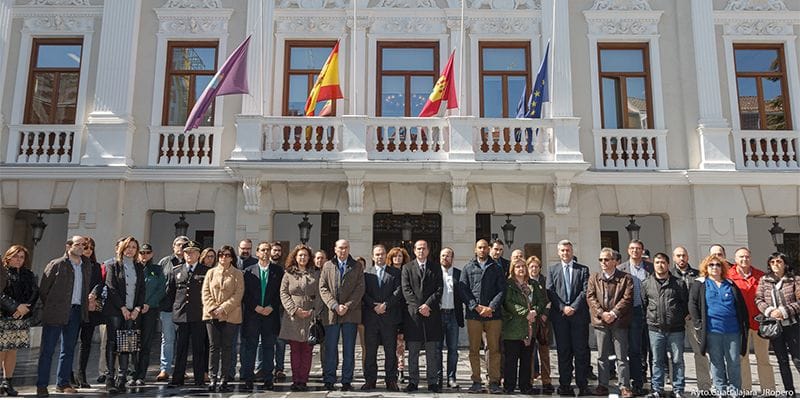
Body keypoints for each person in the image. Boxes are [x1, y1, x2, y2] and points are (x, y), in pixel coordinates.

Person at [36, 236, 102, 397]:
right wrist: (53, 306)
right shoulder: (56, 264)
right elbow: (44, 290)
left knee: (68, 349)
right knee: (48, 350)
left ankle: (63, 383)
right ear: (68, 246)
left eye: (83, 245)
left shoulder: (87, 265)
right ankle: (42, 385)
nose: (81, 247)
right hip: (56, 312)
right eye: (77, 244)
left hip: (76, 311)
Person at [688, 254, 749, 397]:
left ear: (722, 268)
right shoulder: (700, 283)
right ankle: (720, 390)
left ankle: (735, 391)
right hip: (712, 330)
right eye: (711, 265)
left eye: (718, 265)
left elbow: (741, 305)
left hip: (732, 330)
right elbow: (692, 304)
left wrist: (745, 325)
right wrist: (698, 324)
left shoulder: (730, 284)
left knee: (734, 362)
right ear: (706, 267)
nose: (714, 267)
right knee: (716, 362)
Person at [546, 239, 591, 397]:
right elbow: (550, 290)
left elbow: (585, 290)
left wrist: (574, 307)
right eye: (562, 250)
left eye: (568, 250)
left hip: (579, 317)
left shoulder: (583, 269)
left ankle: (582, 384)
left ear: (572, 251)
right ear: (558, 252)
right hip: (560, 317)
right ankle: (564, 384)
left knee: (580, 351)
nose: (565, 253)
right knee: (563, 351)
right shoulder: (552, 270)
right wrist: (562, 307)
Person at [459, 239, 504, 394]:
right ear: (475, 249)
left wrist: (491, 307)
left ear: (488, 249)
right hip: (474, 315)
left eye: (485, 247)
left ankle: (494, 382)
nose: (482, 250)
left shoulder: (496, 268)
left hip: (493, 315)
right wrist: (475, 306)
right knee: (473, 349)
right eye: (480, 247)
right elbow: (463, 290)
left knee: (494, 349)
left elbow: (501, 290)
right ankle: (476, 381)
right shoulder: (468, 268)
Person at [587, 248, 633, 397]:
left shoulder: (625, 278)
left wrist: (613, 313)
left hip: (619, 321)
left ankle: (624, 386)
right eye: (600, 260)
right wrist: (602, 313)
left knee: (621, 356)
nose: (603, 262)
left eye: (606, 259)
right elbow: (591, 297)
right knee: (602, 356)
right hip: (600, 322)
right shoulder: (594, 278)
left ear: (614, 261)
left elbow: (627, 298)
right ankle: (602, 385)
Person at [728, 247, 775, 395]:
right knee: (742, 358)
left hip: (759, 323)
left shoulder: (760, 275)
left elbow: (768, 297)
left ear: (751, 258)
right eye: (741, 257)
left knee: (764, 358)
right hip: (739, 324)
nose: (744, 259)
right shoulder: (729, 276)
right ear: (735, 259)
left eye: (747, 257)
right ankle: (745, 390)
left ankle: (769, 390)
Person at [319, 239, 364, 391]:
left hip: (350, 314)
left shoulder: (357, 266)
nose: (343, 250)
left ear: (349, 249)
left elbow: (360, 288)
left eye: (345, 248)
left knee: (349, 349)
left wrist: (347, 306)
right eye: (340, 248)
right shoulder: (327, 265)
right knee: (330, 349)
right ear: (335, 249)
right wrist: (334, 305)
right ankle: (329, 379)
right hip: (332, 314)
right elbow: (323, 288)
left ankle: (346, 380)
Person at [103, 236, 145, 394]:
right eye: (128, 247)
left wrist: (137, 308)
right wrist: (122, 308)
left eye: (133, 247)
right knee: (112, 343)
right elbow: (111, 287)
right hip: (115, 310)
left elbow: (142, 289)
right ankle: (110, 378)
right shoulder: (113, 265)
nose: (130, 250)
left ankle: (122, 378)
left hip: (132, 311)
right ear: (122, 248)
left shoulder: (139, 267)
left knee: (126, 344)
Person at [643, 252, 689, 398]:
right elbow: (645, 304)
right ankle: (657, 389)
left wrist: (677, 318)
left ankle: (678, 389)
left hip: (676, 329)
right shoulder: (646, 283)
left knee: (677, 360)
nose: (660, 265)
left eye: (663, 262)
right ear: (653, 264)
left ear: (668, 264)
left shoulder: (679, 283)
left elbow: (685, 304)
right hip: (655, 329)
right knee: (657, 360)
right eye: (657, 262)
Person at [279, 244, 323, 392]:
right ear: (295, 257)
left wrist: (313, 311)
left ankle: (303, 380)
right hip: (293, 317)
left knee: (307, 350)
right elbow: (283, 293)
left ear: (309, 257)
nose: (303, 258)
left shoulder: (315, 273)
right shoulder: (288, 274)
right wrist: (294, 310)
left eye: (305, 255)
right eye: (300, 255)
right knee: (295, 350)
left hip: (310, 316)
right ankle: (295, 379)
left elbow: (320, 293)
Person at [755, 252, 800, 397]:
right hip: (774, 326)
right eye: (772, 262)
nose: (775, 264)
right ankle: (789, 392)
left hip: (792, 325)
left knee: (798, 358)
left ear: (785, 264)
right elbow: (758, 299)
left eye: (779, 261)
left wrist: (784, 311)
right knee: (782, 360)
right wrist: (770, 311)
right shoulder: (764, 280)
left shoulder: (795, 280)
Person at [241, 241, 284, 391]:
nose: (265, 253)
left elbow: (281, 292)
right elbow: (244, 294)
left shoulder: (278, 271)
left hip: (270, 315)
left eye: (268, 250)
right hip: (253, 315)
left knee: (268, 348)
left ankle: (268, 378)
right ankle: (248, 378)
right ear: (257, 253)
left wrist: (272, 306)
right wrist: (255, 307)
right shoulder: (248, 271)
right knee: (250, 348)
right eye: (263, 250)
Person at [401, 240, 443, 393]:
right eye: (418, 248)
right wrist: (420, 307)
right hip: (413, 316)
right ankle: (413, 381)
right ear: (414, 250)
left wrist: (428, 305)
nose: (421, 251)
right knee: (413, 352)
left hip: (431, 315)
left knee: (432, 352)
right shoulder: (407, 268)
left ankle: (433, 382)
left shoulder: (436, 267)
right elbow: (406, 290)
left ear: (428, 250)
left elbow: (439, 289)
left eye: (424, 248)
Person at [166, 240, 209, 388]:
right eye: (186, 252)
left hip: (198, 314)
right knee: (181, 348)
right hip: (181, 314)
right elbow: (171, 292)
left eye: (192, 252)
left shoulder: (206, 271)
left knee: (199, 348)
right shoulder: (176, 270)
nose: (189, 255)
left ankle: (199, 379)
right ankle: (177, 379)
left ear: (198, 254)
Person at [202, 245, 244, 392]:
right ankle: (212, 378)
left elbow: (238, 294)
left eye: (227, 255)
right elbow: (205, 292)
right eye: (221, 255)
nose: (223, 258)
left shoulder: (237, 274)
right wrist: (213, 308)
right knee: (213, 347)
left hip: (230, 315)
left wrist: (223, 308)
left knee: (227, 347)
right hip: (212, 315)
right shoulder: (211, 273)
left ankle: (224, 379)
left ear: (232, 257)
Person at [361, 244, 403, 391]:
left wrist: (386, 305)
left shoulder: (395, 273)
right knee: (370, 351)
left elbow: (398, 291)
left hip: (389, 318)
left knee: (390, 352)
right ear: (373, 257)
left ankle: (391, 380)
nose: (380, 257)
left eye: (382, 254)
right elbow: (363, 293)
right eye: (377, 254)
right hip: (371, 318)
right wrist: (374, 305)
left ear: (386, 256)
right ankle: (370, 380)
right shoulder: (366, 273)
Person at [670, 246, 711, 393]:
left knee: (700, 352)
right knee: (676, 355)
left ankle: (704, 387)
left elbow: (702, 296)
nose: (681, 258)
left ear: (688, 257)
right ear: (674, 258)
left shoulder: (698, 274)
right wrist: (682, 313)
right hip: (676, 320)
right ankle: (676, 387)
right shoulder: (669, 275)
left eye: (684, 255)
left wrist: (693, 314)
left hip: (694, 320)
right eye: (678, 256)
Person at [502, 258, 546, 394]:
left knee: (527, 359)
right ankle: (509, 386)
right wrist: (525, 313)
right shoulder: (508, 284)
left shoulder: (533, 284)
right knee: (511, 359)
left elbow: (541, 301)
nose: (521, 269)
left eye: (523, 266)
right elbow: (508, 303)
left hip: (529, 327)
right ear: (513, 269)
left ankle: (525, 386)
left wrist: (535, 311)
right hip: (513, 327)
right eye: (518, 267)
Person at [0, 245, 39, 396]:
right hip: (4, 315)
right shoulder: (3, 272)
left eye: (22, 257)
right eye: (16, 256)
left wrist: (25, 308)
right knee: (2, 350)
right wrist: (15, 307)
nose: (18, 260)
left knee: (13, 351)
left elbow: (34, 293)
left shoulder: (28, 274)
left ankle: (8, 382)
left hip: (21, 317)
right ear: (8, 256)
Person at [617, 239, 653, 396]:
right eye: (632, 248)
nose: (635, 251)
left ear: (642, 251)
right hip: (626, 313)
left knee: (640, 349)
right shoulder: (621, 269)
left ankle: (641, 382)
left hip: (645, 311)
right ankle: (627, 382)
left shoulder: (650, 268)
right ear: (628, 250)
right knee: (625, 350)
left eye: (638, 248)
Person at [156, 235, 188, 382]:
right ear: (173, 246)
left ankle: (181, 368)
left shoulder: (190, 262)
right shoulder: (164, 262)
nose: (181, 247)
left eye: (184, 245)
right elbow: (158, 284)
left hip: (184, 308)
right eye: (178, 244)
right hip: (167, 306)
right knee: (167, 339)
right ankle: (165, 369)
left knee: (183, 340)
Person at [133, 243, 166, 386]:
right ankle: (131, 373)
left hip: (150, 310)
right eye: (142, 252)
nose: (144, 255)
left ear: (151, 254)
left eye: (147, 252)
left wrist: (149, 303)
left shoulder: (156, 270)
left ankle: (141, 374)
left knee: (146, 343)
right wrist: (137, 305)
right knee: (132, 342)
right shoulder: (133, 268)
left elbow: (161, 288)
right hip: (134, 310)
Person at [74, 236, 102, 389]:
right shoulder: (74, 264)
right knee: (70, 342)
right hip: (75, 308)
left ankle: (81, 374)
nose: (89, 250)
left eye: (91, 248)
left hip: (90, 309)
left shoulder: (96, 266)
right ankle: (68, 373)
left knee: (86, 343)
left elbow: (100, 283)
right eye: (86, 247)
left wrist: (93, 294)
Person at [437, 247, 463, 390]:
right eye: (443, 256)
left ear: (452, 258)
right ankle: (438, 377)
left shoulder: (459, 274)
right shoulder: (435, 273)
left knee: (453, 349)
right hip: (438, 315)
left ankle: (451, 378)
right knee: (437, 348)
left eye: (448, 256)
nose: (445, 258)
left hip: (453, 315)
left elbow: (464, 293)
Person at [527, 255, 553, 394]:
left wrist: (545, 314)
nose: (534, 269)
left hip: (543, 321)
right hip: (530, 320)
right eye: (531, 266)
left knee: (544, 353)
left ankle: (546, 380)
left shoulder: (545, 281)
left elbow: (549, 300)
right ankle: (529, 380)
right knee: (530, 353)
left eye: (536, 266)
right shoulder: (525, 281)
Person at [386, 246, 409, 383]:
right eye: (395, 256)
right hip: (390, 311)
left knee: (401, 343)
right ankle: (391, 369)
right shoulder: (387, 272)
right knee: (390, 343)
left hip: (404, 312)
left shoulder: (407, 271)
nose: (397, 258)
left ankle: (401, 369)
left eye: (400, 256)